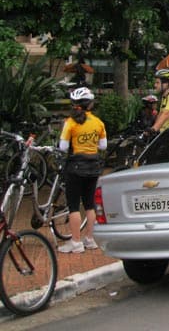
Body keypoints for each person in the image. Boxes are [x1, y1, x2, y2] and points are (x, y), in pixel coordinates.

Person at [57, 87, 107, 253]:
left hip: (75, 167)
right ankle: (90, 239)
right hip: (93, 167)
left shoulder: (70, 122)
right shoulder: (98, 122)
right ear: (90, 104)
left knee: (73, 206)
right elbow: (103, 146)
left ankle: (76, 242)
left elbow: (63, 147)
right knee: (89, 205)